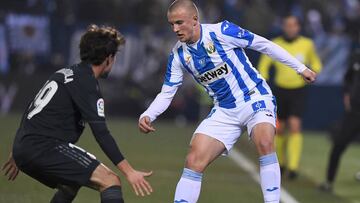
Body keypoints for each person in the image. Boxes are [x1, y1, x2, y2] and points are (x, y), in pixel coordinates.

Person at [138, 1, 316, 202]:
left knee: (265, 141)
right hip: (224, 110)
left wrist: (300, 68)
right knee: (194, 159)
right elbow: (167, 92)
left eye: (179, 22)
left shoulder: (222, 31)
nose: (175, 29)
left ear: (195, 19)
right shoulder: (178, 54)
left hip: (254, 97)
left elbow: (263, 45)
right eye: (172, 24)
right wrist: (148, 114)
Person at [2, 24, 153, 203]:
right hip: (44, 147)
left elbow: (32, 109)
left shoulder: (65, 72)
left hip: (26, 145)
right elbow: (102, 134)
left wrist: (19, 147)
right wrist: (129, 172)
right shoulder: (87, 84)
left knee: (69, 184)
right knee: (110, 181)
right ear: (108, 59)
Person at [258, 15, 322, 179]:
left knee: (294, 125)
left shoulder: (307, 44)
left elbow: (316, 63)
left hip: (298, 91)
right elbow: (264, 65)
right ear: (283, 27)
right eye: (287, 25)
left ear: (298, 27)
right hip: (279, 89)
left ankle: (293, 167)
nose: (290, 28)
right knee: (279, 128)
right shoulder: (275, 44)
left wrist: (312, 72)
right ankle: (281, 163)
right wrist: (263, 80)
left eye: (293, 25)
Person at [319, 46, 360, 192]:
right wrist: (347, 94)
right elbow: (348, 79)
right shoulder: (356, 56)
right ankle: (328, 182)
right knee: (338, 145)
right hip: (355, 111)